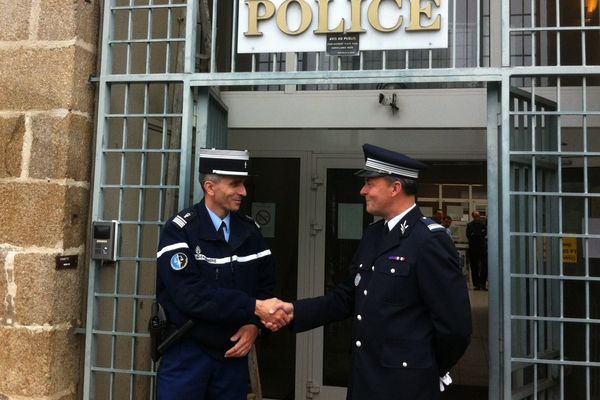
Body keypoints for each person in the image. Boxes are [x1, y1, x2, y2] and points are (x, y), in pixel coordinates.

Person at [264, 144, 472, 400]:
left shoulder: (429, 241)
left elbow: (455, 327)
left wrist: (424, 367)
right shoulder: (375, 234)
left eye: (370, 183)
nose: (362, 190)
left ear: (395, 188)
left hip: (406, 386)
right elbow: (346, 297)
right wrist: (294, 311)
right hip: (366, 378)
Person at [154, 148, 287, 400]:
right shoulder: (179, 231)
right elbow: (190, 296)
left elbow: (266, 284)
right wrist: (254, 308)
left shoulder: (250, 231)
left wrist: (254, 326)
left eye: (244, 184)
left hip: (231, 356)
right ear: (209, 187)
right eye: (235, 184)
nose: (243, 192)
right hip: (187, 353)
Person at [466, 211, 487, 290]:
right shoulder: (469, 225)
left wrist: (475, 235)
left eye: (478, 216)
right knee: (474, 266)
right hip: (473, 249)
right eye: (475, 216)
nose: (477, 218)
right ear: (473, 217)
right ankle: (476, 284)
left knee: (484, 266)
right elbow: (469, 236)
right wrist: (477, 235)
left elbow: (484, 234)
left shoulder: (483, 225)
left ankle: (483, 283)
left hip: (482, 248)